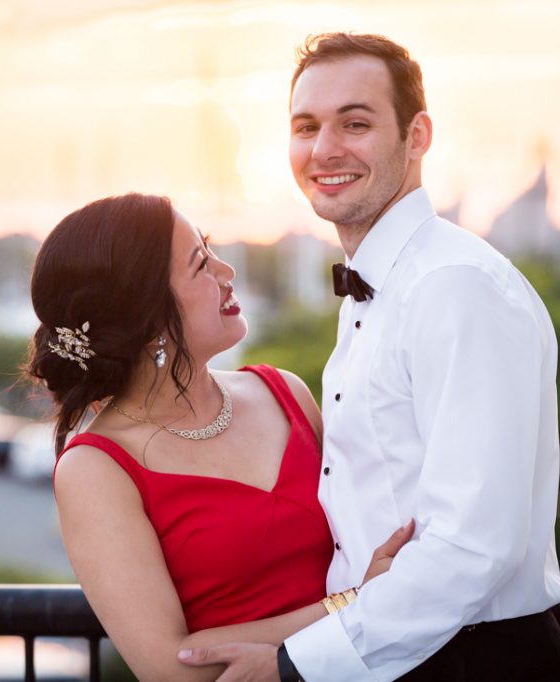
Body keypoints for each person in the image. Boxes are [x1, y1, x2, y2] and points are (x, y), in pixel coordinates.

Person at [178, 32, 560, 681]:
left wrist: (296, 666)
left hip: (475, 664)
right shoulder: (381, 286)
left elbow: (473, 546)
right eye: (305, 127)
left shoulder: (455, 286)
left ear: (417, 136)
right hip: (392, 656)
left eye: (356, 122)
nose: (325, 149)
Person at [28, 192, 413, 681]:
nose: (226, 272)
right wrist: (356, 605)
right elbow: (176, 668)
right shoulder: (96, 469)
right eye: (200, 265)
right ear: (146, 318)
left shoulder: (284, 393)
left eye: (211, 251)